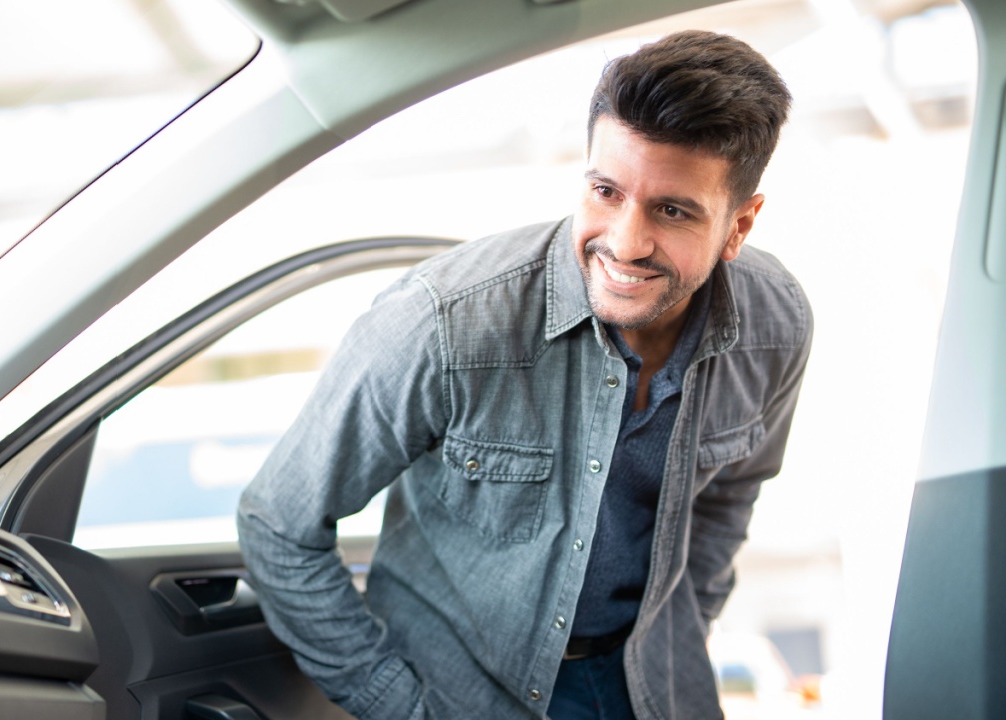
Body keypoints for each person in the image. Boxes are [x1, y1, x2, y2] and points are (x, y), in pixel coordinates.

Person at [237, 29, 810, 720]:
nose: (624, 241)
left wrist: (681, 630)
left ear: (739, 225)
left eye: (673, 210)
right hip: (465, 697)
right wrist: (396, 705)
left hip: (657, 690)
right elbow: (278, 522)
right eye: (606, 190)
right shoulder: (445, 322)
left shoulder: (775, 324)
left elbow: (730, 498)